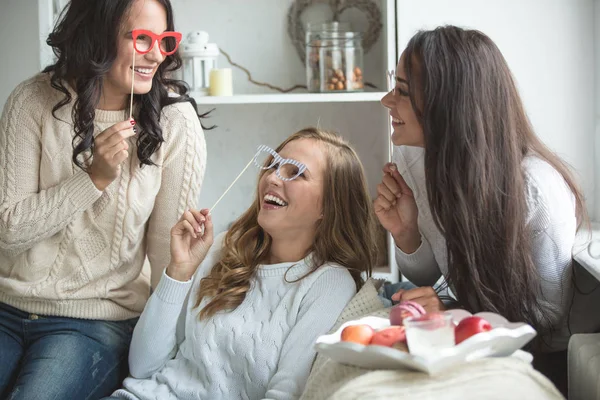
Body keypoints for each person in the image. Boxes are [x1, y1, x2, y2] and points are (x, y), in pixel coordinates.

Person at [0, 0, 207, 398]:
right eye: (142, 38)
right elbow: (9, 230)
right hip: (7, 306)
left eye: (165, 41)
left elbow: (167, 259)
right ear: (98, 37)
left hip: (96, 322)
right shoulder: (33, 100)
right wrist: (92, 179)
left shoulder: (175, 122)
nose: (156, 55)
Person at [375, 26, 587, 393]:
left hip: (537, 356)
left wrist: (454, 311)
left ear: (449, 104)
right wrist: (407, 236)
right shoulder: (413, 158)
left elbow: (546, 319)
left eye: (403, 91)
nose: (386, 101)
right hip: (473, 329)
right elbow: (436, 277)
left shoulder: (536, 188)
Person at [104, 128, 378, 400]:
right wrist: (179, 271)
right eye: (272, 164)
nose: (272, 177)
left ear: (328, 207)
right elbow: (142, 367)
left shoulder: (328, 283)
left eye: (295, 172)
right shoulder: (224, 248)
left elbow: (286, 393)